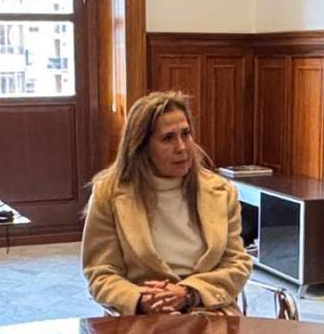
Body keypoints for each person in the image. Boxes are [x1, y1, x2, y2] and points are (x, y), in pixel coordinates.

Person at [82, 91, 252, 315]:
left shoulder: (221, 191)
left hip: (209, 314)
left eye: (186, 134)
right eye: (168, 138)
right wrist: (141, 299)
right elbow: (101, 272)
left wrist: (189, 293)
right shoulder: (109, 194)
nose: (182, 147)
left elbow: (236, 263)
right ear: (141, 147)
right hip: (142, 320)